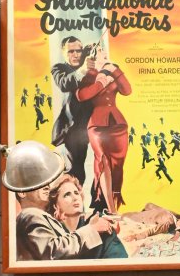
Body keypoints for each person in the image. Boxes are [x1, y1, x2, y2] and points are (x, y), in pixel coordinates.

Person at [77, 57, 132, 214]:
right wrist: (101, 80)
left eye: (105, 54)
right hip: (97, 125)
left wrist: (113, 69)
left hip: (118, 125)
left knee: (117, 166)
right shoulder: (88, 75)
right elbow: (82, 95)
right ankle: (112, 209)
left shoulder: (114, 71)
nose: (104, 55)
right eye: (100, 53)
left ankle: (111, 204)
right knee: (103, 161)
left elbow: (127, 90)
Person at [15, 182, 115, 261]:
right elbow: (52, 251)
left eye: (77, 193)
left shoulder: (42, 218)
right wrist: (92, 229)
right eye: (38, 181)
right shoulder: (31, 214)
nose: (47, 186)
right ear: (22, 192)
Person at [47, 172, 127, 259]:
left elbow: (119, 259)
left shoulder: (101, 224)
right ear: (56, 205)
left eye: (76, 193)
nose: (75, 198)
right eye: (67, 195)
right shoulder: (52, 232)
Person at [51, 35, 95, 185]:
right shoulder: (59, 68)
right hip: (74, 129)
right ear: (64, 52)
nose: (76, 55)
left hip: (95, 124)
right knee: (76, 171)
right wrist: (83, 70)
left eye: (79, 51)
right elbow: (64, 84)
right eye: (71, 51)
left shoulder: (88, 63)